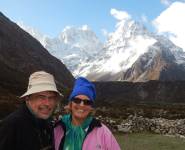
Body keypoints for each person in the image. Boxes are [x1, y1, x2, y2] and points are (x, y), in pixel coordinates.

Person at [0, 71, 62, 150]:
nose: (47, 103)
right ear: (28, 98)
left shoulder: (45, 122)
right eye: (41, 97)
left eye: (51, 97)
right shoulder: (12, 125)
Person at [54, 77, 121, 150]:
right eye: (77, 100)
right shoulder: (58, 129)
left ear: (91, 107)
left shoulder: (103, 132)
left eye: (87, 102)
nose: (82, 105)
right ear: (71, 103)